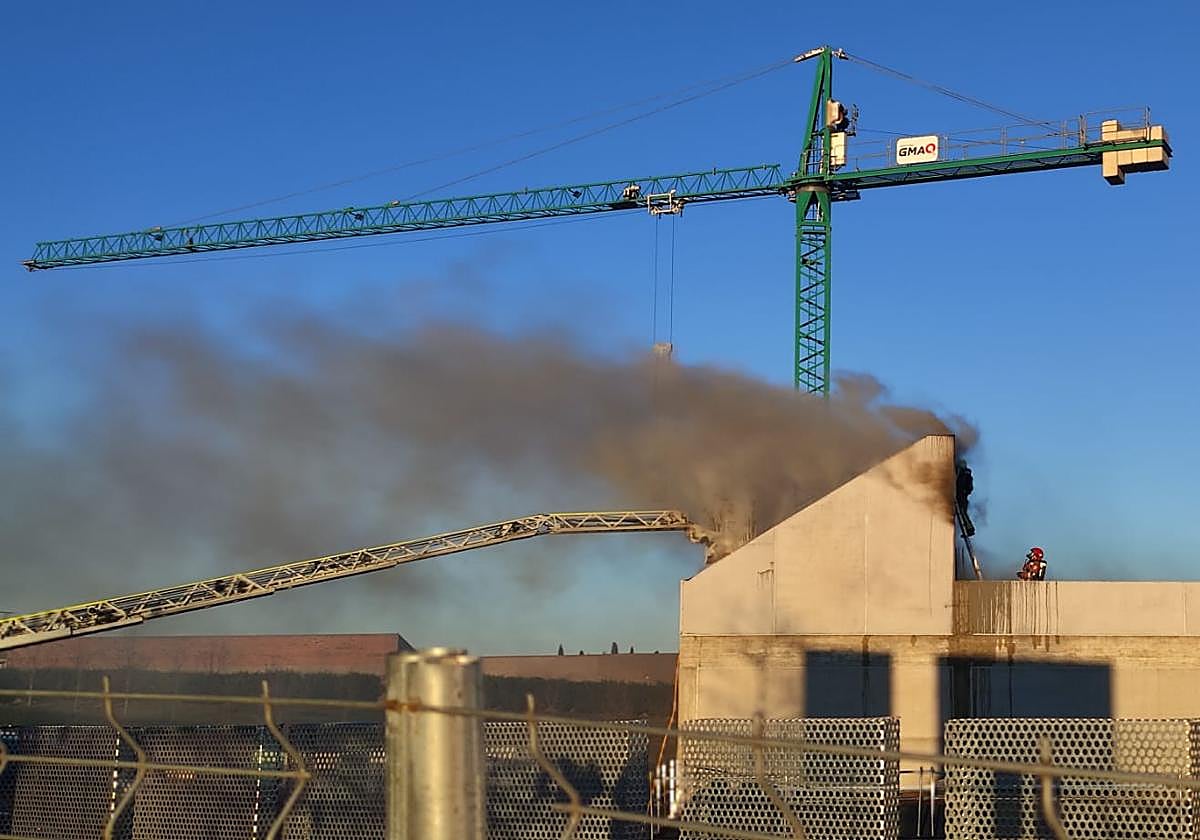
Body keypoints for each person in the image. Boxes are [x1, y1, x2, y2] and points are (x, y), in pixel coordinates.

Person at [955, 460, 975, 537]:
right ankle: (968, 529)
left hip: (962, 496)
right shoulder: (962, 474)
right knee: (962, 513)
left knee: (962, 512)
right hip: (960, 496)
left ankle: (970, 529)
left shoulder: (965, 475)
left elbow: (969, 487)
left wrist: (964, 492)